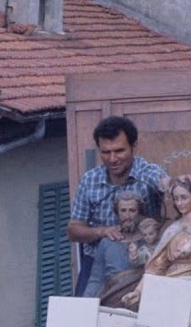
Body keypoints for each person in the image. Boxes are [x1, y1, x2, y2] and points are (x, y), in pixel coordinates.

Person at [67, 116, 168, 295]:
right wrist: (102, 231)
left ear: (134, 146)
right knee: (82, 312)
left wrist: (177, 183)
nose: (112, 159)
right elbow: (73, 230)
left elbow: (165, 183)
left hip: (143, 259)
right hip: (98, 262)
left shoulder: (148, 173)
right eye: (106, 152)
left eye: (119, 151)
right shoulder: (90, 180)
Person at [120, 177, 191, 308]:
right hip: (170, 281)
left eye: (184, 198)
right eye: (176, 199)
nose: (179, 203)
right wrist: (138, 291)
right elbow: (157, 264)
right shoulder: (172, 229)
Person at [81, 190, 144, 297]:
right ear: (117, 213)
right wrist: (86, 302)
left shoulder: (148, 239)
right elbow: (96, 279)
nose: (127, 216)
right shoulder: (107, 243)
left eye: (132, 210)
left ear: (139, 212)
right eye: (123, 211)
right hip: (114, 298)